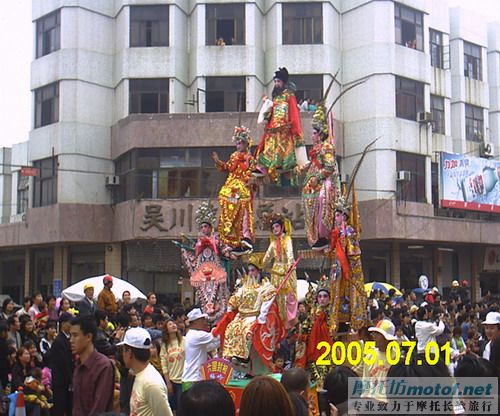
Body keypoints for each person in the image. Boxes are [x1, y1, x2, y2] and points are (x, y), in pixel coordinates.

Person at [221, 254, 278, 366]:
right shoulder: (244, 286)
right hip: (241, 316)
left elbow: (266, 305)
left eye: (253, 270)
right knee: (230, 329)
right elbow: (236, 297)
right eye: (249, 271)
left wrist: (260, 320)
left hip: (254, 316)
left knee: (247, 331)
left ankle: (244, 358)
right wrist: (230, 307)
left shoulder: (266, 287)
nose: (251, 273)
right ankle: (233, 356)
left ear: (259, 271)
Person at [254, 67, 307, 184]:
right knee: (268, 147)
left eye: (278, 81)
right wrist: (266, 112)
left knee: (282, 148)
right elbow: (272, 111)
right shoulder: (276, 97)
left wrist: (294, 127)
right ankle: (263, 167)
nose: (276, 84)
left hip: (285, 128)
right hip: (273, 128)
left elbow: (293, 111)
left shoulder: (289, 95)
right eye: (275, 82)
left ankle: (283, 166)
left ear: (283, 82)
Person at [177, 202, 229, 322]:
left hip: (216, 274)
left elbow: (225, 251)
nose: (204, 229)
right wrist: (185, 251)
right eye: (202, 227)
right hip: (202, 277)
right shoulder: (199, 243)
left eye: (206, 226)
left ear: (211, 228)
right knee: (203, 297)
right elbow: (194, 258)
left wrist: (230, 252)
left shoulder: (216, 240)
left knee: (219, 296)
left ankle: (219, 320)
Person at [301, 104, 340, 250]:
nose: (311, 136)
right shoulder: (315, 149)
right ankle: (316, 236)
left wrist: (317, 177)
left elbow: (329, 167)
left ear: (320, 134)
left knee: (323, 198)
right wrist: (300, 168)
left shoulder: (327, 148)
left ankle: (324, 235)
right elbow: (311, 164)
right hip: (312, 183)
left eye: (313, 133)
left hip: (324, 181)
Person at [212, 125, 256, 254]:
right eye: (237, 143)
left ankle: (244, 236)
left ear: (246, 144)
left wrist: (249, 180)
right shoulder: (234, 156)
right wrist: (218, 161)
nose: (238, 146)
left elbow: (252, 174)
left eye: (240, 143)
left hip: (242, 186)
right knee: (227, 202)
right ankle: (228, 234)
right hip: (231, 187)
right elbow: (227, 167)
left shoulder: (250, 159)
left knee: (242, 207)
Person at [328, 203, 368, 335]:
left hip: (348, 269)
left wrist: (346, 245)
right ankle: (336, 321)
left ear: (345, 217)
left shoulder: (349, 231)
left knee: (350, 294)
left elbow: (353, 251)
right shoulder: (335, 233)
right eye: (335, 216)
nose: (336, 218)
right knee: (336, 294)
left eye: (338, 215)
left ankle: (354, 322)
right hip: (337, 269)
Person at [118, 327, 173, 416]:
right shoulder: (140, 375)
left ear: (130, 353)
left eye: (123, 350)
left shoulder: (151, 384)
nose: (122, 354)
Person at [70, 315, 115, 416]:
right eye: (70, 336)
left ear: (88, 337)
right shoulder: (78, 365)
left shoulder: (103, 366)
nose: (71, 340)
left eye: (75, 335)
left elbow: (99, 407)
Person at [262, 214, 298, 327]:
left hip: (286, 271)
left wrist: (289, 266)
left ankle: (290, 321)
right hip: (276, 273)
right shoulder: (273, 243)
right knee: (277, 298)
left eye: (277, 226)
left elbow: (290, 254)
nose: (275, 229)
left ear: (282, 227)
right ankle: (280, 322)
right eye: (273, 228)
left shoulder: (287, 239)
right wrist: (260, 265)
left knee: (289, 296)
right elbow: (267, 257)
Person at [181, 308, 220, 386]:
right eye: (202, 320)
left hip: (193, 378)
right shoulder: (196, 335)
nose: (205, 323)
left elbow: (212, 346)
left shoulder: (193, 334)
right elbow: (216, 336)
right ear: (195, 322)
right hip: (193, 379)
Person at [49, 312, 74, 416]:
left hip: (65, 381)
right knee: (59, 408)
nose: (71, 325)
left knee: (69, 408)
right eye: (70, 323)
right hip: (60, 381)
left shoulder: (67, 339)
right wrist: (71, 378)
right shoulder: (59, 341)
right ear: (63, 324)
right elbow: (63, 363)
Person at [160, 319, 185, 413]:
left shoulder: (184, 340)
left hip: (184, 379)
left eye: (174, 323)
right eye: (170, 324)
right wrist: (168, 383)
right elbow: (164, 365)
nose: (173, 325)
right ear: (166, 329)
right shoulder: (164, 346)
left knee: (182, 407)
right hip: (172, 380)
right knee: (173, 408)